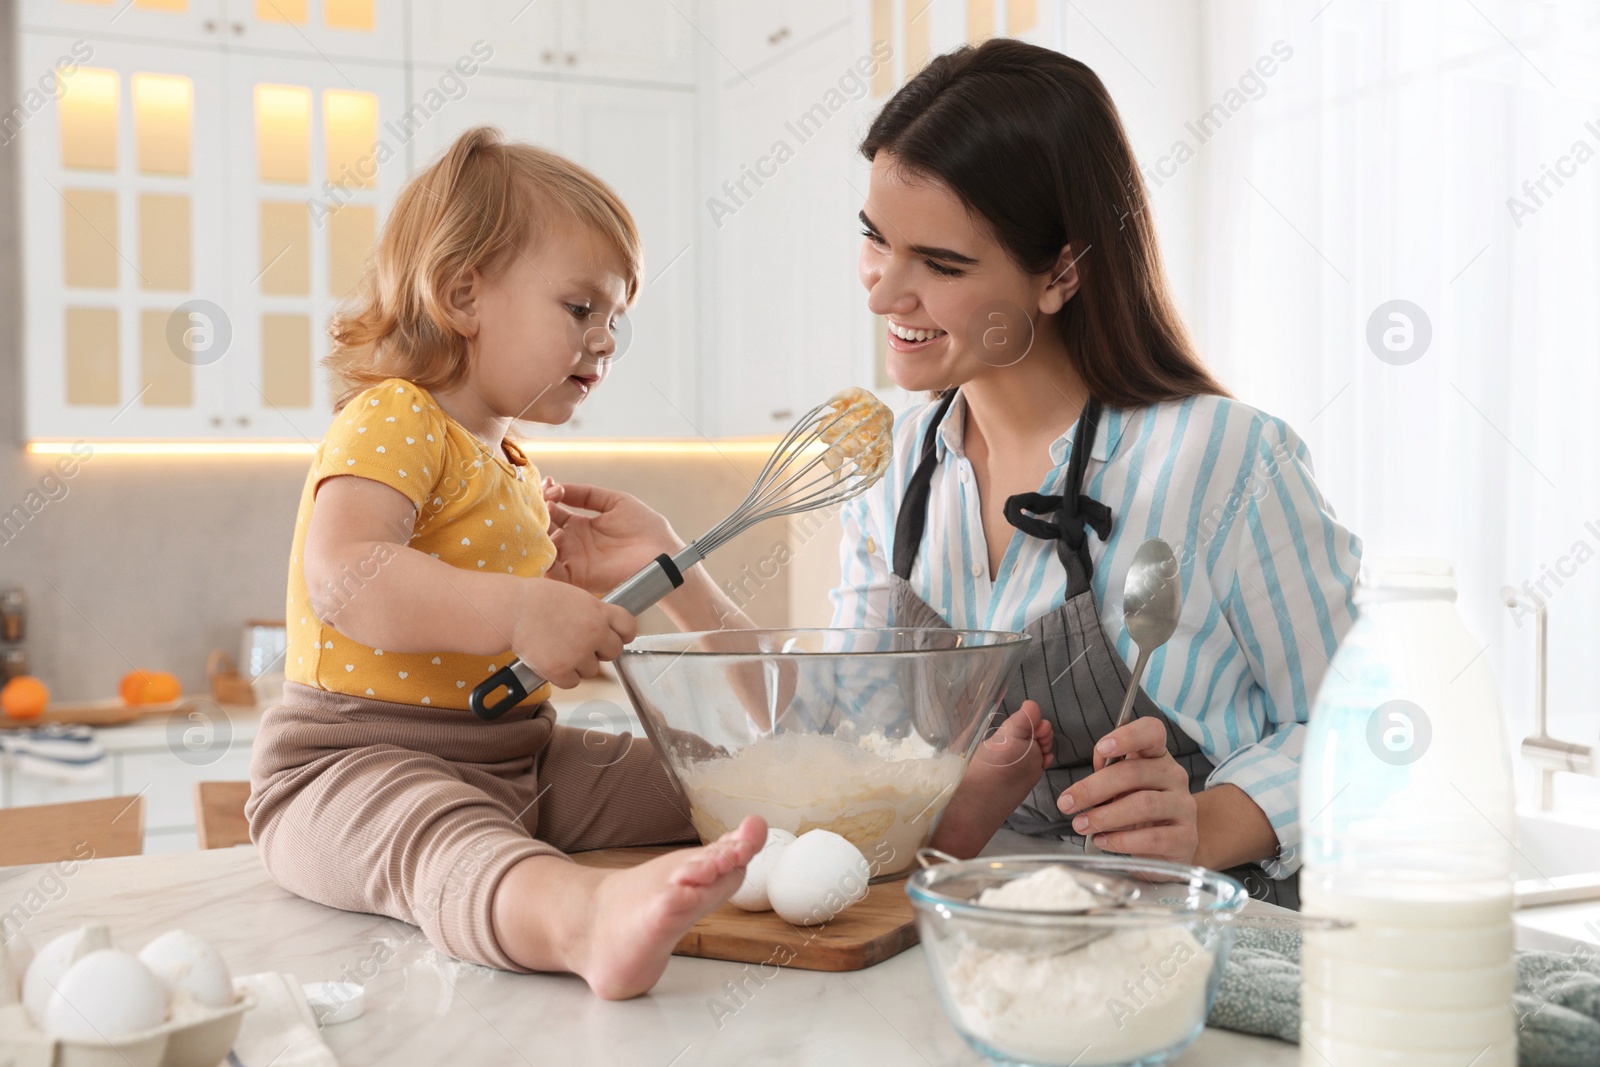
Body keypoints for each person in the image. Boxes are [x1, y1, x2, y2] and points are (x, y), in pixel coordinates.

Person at [247, 126, 1053, 1000]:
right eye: (580, 308)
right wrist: (520, 611)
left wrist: (569, 592)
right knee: (447, 839)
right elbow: (347, 573)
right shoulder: (394, 415)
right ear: (462, 291)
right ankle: (581, 920)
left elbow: (488, 604)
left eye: (615, 319)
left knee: (710, 781)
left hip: (521, 756)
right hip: (353, 763)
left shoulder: (511, 466)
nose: (605, 340)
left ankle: (919, 818)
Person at [831, 39, 1362, 908]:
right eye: (875, 240)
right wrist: (681, 578)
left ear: (1062, 272)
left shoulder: (1223, 458)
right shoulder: (897, 468)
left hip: (1188, 961)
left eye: (941, 264)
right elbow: (843, 741)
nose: (884, 292)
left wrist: (1212, 818)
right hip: (960, 946)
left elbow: (1377, 725)